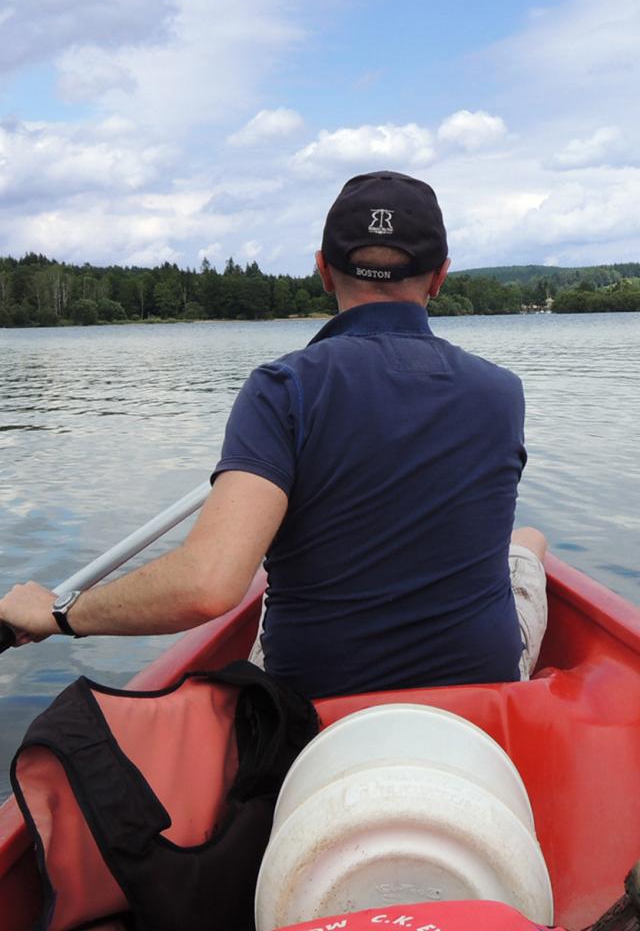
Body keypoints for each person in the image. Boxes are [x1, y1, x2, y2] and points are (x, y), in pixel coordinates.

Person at [0, 171, 547, 697]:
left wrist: (59, 614)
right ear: (441, 275)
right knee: (528, 543)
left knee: (262, 573)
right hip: (481, 684)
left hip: (314, 696)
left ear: (323, 270)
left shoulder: (283, 387)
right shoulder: (502, 391)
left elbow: (209, 586)